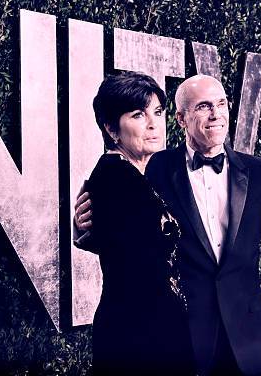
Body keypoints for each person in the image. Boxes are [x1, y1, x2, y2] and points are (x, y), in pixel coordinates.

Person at [76, 74, 261, 376]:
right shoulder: (154, 167)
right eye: (203, 106)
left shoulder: (257, 170)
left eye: (222, 104)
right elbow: (129, 239)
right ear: (182, 118)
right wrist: (84, 228)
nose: (216, 114)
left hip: (243, 340)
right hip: (180, 341)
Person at [73, 72, 195, 375]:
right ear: (112, 128)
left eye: (157, 112)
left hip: (150, 330)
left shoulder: (139, 176)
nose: (153, 124)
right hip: (139, 337)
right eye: (138, 115)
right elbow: (142, 265)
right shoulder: (117, 177)